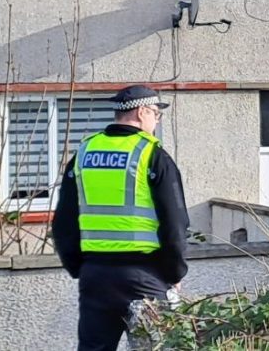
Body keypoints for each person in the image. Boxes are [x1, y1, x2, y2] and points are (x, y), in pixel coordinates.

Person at [52, 85, 190, 351]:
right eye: (156, 115)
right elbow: (174, 223)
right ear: (142, 112)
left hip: (95, 276)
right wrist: (175, 272)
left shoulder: (84, 153)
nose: (156, 121)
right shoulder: (152, 155)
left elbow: (63, 222)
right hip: (144, 277)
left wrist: (79, 268)